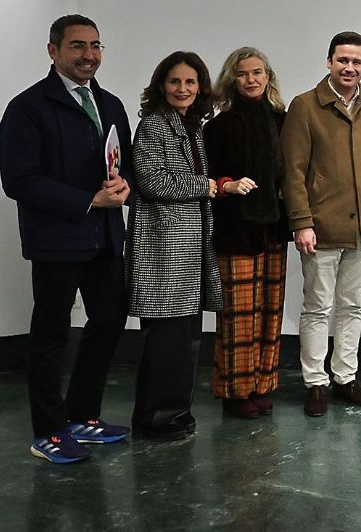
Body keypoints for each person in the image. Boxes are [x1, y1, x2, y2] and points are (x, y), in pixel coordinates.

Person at [0, 15, 134, 464]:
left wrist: (124, 187)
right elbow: (20, 180)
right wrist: (89, 200)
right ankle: (49, 429)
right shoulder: (29, 107)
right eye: (78, 46)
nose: (89, 55)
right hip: (58, 239)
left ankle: (82, 416)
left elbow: (124, 164)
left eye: (96, 46)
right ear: (53, 50)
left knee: (109, 321)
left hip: (104, 238)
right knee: (51, 333)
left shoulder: (110, 104)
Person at [281, 31, 361, 417]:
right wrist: (301, 222)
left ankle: (345, 378)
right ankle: (316, 383)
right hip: (321, 228)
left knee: (352, 307)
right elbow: (294, 172)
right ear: (329, 61)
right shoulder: (304, 106)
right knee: (317, 307)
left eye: (357, 62)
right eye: (343, 60)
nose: (350, 68)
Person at [126, 51, 222, 441]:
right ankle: (154, 418)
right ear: (160, 86)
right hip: (163, 248)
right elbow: (151, 181)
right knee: (165, 340)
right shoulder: (153, 126)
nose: (182, 89)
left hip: (187, 246)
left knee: (185, 339)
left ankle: (176, 413)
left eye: (190, 82)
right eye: (174, 82)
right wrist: (207, 187)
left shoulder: (192, 126)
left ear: (200, 87)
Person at [204, 47, 290, 420]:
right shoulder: (218, 126)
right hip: (235, 229)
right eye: (243, 74)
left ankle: (262, 384)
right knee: (238, 316)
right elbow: (207, 176)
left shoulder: (283, 122)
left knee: (270, 311)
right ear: (231, 80)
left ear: (268, 76)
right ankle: (236, 391)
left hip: (273, 229)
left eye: (257, 72)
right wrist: (227, 184)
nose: (251, 79)